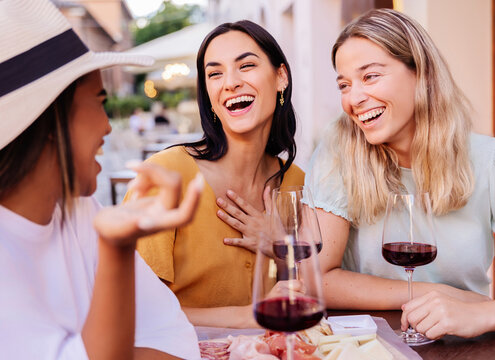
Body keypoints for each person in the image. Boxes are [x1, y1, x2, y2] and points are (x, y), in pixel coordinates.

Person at [306, 8, 495, 339]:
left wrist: (483, 313)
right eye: (344, 84)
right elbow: (314, 279)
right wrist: (433, 296)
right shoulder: (338, 155)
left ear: (422, 74)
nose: (353, 98)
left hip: (465, 347)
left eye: (370, 76)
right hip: (367, 347)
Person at [0, 0, 203, 358]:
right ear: (53, 120)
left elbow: (171, 334)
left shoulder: (79, 210)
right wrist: (117, 246)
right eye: (100, 101)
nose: (108, 125)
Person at [131, 20, 304, 328]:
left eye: (246, 65)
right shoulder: (167, 177)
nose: (230, 82)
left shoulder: (297, 183)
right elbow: (134, 313)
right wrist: (248, 316)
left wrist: (280, 248)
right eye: (215, 73)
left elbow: (305, 292)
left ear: (281, 77)